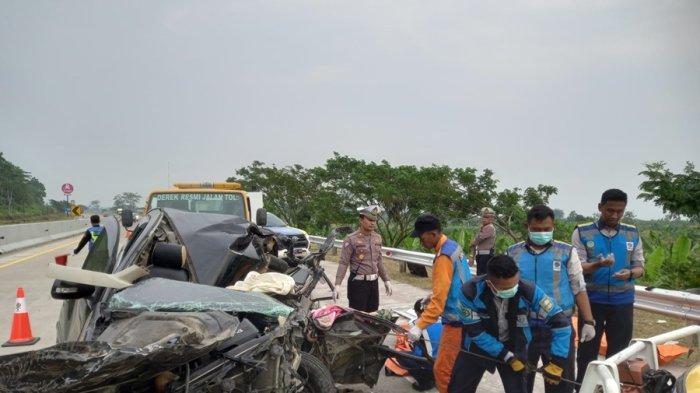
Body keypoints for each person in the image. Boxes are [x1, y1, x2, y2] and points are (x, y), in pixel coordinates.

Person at [449, 255, 572, 393]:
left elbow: (561, 323)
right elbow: (476, 333)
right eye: (507, 288)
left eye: (515, 284)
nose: (513, 289)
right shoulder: (469, 292)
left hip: (515, 348)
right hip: (476, 348)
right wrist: (505, 355)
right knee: (457, 389)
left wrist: (558, 362)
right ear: (490, 284)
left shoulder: (529, 290)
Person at [507, 205, 595, 393]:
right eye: (537, 229)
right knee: (519, 380)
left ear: (553, 226)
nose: (542, 233)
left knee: (561, 382)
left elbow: (579, 288)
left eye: (546, 229)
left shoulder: (566, 252)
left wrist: (588, 321)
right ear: (527, 226)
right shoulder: (513, 253)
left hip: (558, 328)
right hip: (524, 327)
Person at [573, 189, 645, 384]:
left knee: (619, 354)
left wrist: (630, 273)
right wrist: (598, 264)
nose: (614, 215)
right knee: (587, 352)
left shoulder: (632, 232)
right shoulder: (582, 231)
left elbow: (640, 266)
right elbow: (577, 267)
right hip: (591, 303)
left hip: (622, 303)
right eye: (609, 210)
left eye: (619, 211)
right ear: (600, 207)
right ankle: (583, 387)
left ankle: (611, 388)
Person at [408, 214, 471, 393]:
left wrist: (420, 325)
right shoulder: (453, 247)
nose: (420, 241)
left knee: (442, 370)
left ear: (433, 234)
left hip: (456, 321)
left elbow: (438, 303)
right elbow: (458, 279)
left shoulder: (443, 257)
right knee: (457, 368)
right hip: (465, 313)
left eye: (421, 236)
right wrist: (432, 294)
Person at [334, 205, 392, 312]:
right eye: (369, 219)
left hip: (373, 283)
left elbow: (379, 261)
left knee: (373, 316)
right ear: (361, 220)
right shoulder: (351, 239)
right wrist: (337, 284)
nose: (372, 223)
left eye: (374, 220)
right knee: (358, 318)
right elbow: (343, 263)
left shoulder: (377, 238)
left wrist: (386, 280)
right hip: (358, 284)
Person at [392, 296, 443, 391]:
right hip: (448, 362)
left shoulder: (417, 325)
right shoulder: (445, 320)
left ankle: (425, 381)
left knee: (400, 355)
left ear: (417, 313)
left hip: (433, 364)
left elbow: (417, 350)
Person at [470, 207, 497, 275]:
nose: (484, 219)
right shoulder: (483, 227)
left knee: (483, 276)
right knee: (480, 275)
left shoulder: (489, 227)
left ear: (492, 218)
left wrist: (473, 243)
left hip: (486, 256)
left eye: (487, 217)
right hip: (481, 255)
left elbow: (476, 241)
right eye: (483, 217)